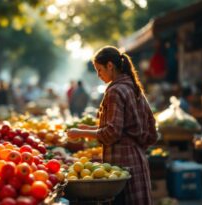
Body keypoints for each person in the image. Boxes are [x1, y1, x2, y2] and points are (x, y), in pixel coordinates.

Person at [67, 46, 158, 205]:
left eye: (99, 69)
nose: (98, 74)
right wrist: (87, 129)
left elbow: (112, 132)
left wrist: (81, 134)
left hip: (122, 160)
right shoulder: (133, 87)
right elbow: (135, 128)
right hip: (137, 158)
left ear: (110, 65)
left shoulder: (115, 91)